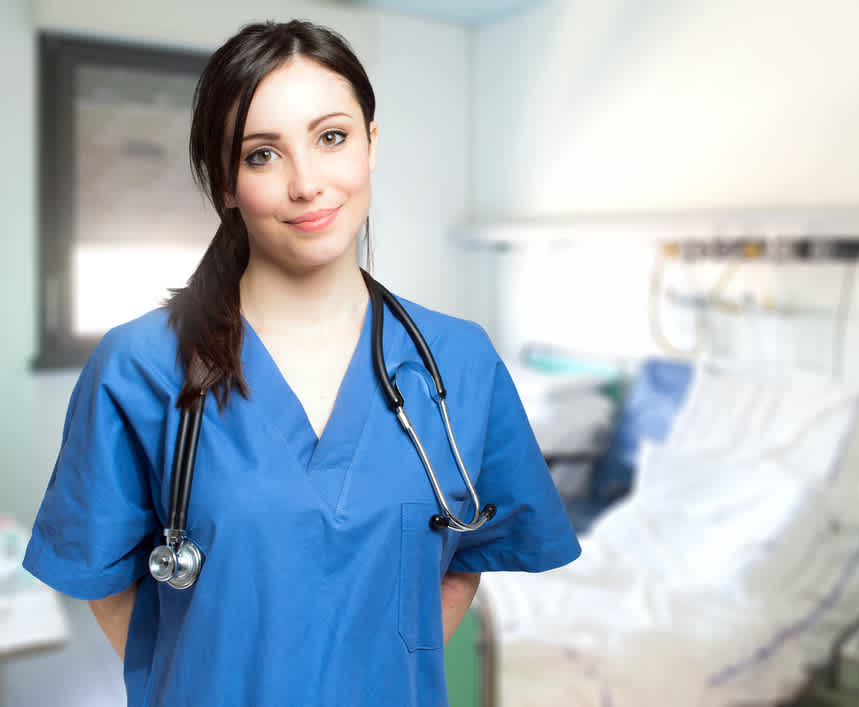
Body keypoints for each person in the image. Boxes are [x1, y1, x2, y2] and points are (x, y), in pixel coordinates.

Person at [23, 19, 580, 706]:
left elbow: (468, 555)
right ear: (226, 184)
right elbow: (103, 578)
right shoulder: (138, 366)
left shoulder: (458, 362)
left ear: (371, 145)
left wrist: (368, 674)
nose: (306, 182)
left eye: (332, 137)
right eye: (262, 155)